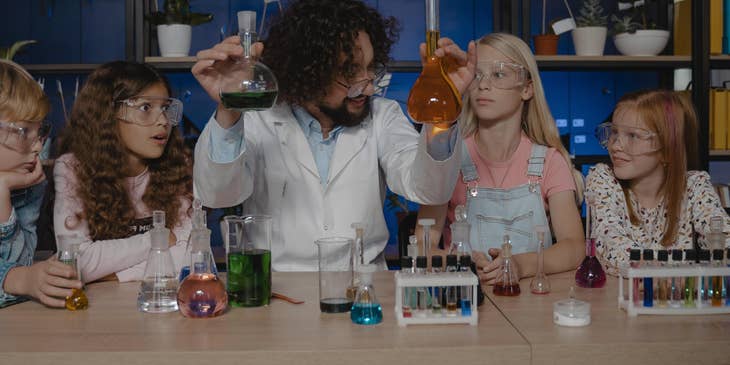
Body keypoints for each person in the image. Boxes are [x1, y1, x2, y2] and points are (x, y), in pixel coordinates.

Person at [192, 0, 476, 270]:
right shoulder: (260, 118)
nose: (367, 86)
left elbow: (428, 188)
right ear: (308, 71)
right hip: (282, 296)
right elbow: (218, 194)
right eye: (350, 72)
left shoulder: (383, 115)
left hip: (364, 292)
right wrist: (228, 109)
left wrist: (444, 110)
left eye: (370, 69)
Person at [417, 33, 585, 285]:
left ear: (527, 88)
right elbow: (422, 245)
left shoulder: (549, 161)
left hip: (531, 306)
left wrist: (519, 264)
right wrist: (461, 263)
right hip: (466, 302)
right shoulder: (449, 159)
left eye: (499, 74)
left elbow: (574, 247)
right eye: (477, 75)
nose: (484, 85)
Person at [53, 61, 193, 283]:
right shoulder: (72, 168)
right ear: (109, 113)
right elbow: (75, 260)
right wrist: (157, 239)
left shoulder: (178, 164)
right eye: (146, 108)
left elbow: (189, 256)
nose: (163, 121)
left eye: (165, 108)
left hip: (158, 302)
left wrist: (111, 275)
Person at [587, 89, 730, 275]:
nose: (615, 145)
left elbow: (722, 239)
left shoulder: (695, 186)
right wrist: (665, 271)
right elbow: (611, 245)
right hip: (620, 300)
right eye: (614, 132)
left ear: (667, 150)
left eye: (632, 136)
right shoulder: (603, 178)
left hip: (675, 300)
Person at [0, 59, 82, 307]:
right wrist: (19, 280)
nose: (38, 146)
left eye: (40, 133)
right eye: (24, 132)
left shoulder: (28, 186)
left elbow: (21, 261)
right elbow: (20, 274)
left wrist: (2, 192)